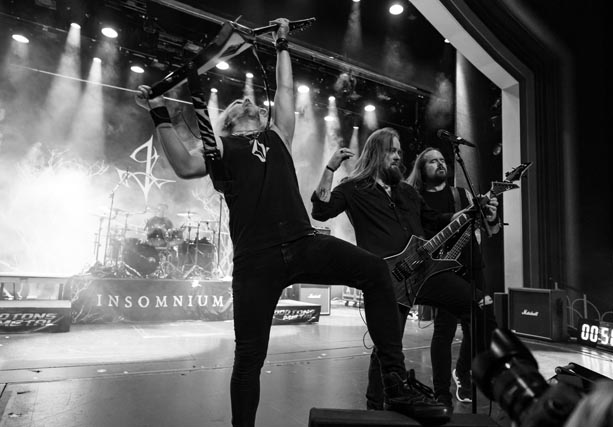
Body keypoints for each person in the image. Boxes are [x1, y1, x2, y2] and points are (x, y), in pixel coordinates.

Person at [135, 18, 448, 427]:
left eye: (250, 102)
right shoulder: (222, 148)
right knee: (249, 357)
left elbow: (284, 90)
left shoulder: (277, 135)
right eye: (238, 104)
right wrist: (158, 112)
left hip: (302, 242)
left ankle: (394, 381)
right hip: (257, 260)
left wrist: (282, 43)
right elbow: (182, 163)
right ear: (227, 121)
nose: (246, 101)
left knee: (376, 271)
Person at [311, 128, 499, 412]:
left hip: (423, 272)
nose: (398, 156)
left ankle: (481, 374)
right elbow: (321, 211)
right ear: (376, 152)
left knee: (479, 305)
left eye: (399, 151)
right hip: (386, 280)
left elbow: (434, 220)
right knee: (386, 348)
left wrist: (469, 213)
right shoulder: (353, 188)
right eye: (392, 150)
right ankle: (375, 408)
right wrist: (329, 168)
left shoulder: (408, 192)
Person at [406, 147, 500, 408]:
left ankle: (462, 371)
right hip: (442, 270)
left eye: (442, 160)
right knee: (444, 330)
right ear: (421, 169)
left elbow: (490, 229)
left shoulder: (461, 194)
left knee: (478, 325)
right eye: (432, 161)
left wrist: (492, 217)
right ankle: (441, 391)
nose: (440, 164)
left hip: (472, 264)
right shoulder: (415, 197)